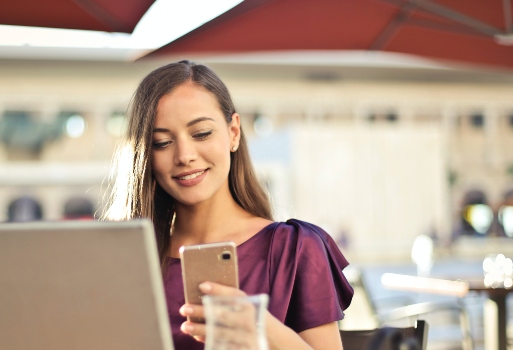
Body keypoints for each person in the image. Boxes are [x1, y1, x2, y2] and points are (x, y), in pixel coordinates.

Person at [104, 60, 353, 350]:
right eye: (162, 142)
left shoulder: (294, 248)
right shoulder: (124, 260)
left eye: (201, 134)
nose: (185, 155)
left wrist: (262, 329)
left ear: (233, 132)